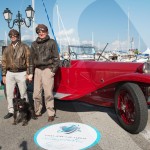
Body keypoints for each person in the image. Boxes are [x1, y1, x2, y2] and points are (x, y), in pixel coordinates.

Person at [31, 24, 60, 122]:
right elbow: (31, 60)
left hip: (48, 69)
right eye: (39, 32)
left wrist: (53, 71)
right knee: (36, 93)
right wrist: (30, 73)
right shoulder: (33, 44)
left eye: (43, 31)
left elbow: (56, 58)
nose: (41, 33)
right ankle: (37, 111)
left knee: (48, 93)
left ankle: (51, 113)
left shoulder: (52, 42)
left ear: (46, 32)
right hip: (37, 70)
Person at [2, 29, 33, 119]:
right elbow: (4, 62)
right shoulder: (7, 48)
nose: (13, 37)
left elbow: (29, 61)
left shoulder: (25, 47)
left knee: (23, 93)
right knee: (9, 94)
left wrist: (29, 73)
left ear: (18, 36)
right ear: (10, 37)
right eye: (11, 35)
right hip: (9, 73)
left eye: (15, 35)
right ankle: (11, 110)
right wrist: (4, 75)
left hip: (21, 73)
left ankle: (26, 110)